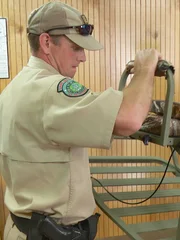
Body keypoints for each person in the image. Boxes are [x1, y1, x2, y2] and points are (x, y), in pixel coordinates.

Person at [0, 1, 162, 240]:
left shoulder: (15, 88)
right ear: (46, 42)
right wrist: (145, 68)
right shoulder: (52, 90)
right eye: (76, 47)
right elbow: (129, 119)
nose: (83, 57)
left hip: (24, 228)